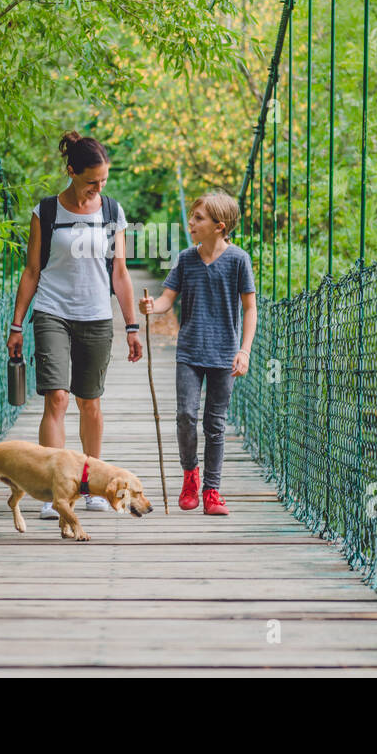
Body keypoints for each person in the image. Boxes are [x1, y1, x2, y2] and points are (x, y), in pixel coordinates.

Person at [8, 131, 142, 520]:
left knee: (91, 402)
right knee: (57, 398)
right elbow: (32, 271)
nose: (98, 188)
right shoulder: (46, 212)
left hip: (97, 315)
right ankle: (53, 493)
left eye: (103, 181)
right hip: (52, 311)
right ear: (70, 172)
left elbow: (120, 273)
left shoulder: (112, 211)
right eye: (91, 181)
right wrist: (17, 325)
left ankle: (92, 487)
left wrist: (132, 326)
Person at [139, 191, 256, 515]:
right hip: (190, 351)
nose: (190, 222)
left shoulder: (238, 260)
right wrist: (152, 307)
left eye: (198, 218)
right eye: (191, 216)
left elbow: (250, 309)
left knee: (214, 424)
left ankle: (212, 492)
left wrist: (244, 351)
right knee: (186, 416)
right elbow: (166, 299)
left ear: (219, 226)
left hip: (224, 354)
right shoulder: (186, 259)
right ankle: (190, 475)